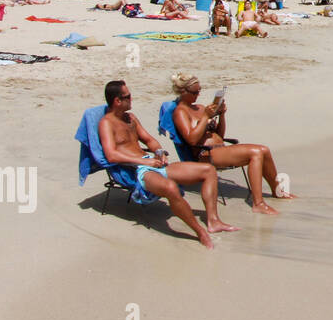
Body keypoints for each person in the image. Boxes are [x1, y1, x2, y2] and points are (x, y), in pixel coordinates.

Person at [98, 79, 238, 248]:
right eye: (128, 96)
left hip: (153, 163)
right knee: (171, 188)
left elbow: (150, 140)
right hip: (139, 170)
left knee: (208, 170)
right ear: (117, 101)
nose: (131, 99)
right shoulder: (106, 124)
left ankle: (213, 221)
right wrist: (145, 162)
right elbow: (111, 155)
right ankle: (200, 232)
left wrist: (159, 152)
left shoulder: (131, 118)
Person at [171, 73, 295, 215]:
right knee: (255, 152)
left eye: (199, 90)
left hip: (220, 149)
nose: (198, 94)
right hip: (205, 154)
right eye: (195, 92)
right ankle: (258, 203)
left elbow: (220, 135)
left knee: (263, 150)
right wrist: (206, 117)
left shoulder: (199, 107)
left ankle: (277, 192)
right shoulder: (180, 112)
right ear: (183, 91)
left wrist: (221, 115)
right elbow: (191, 139)